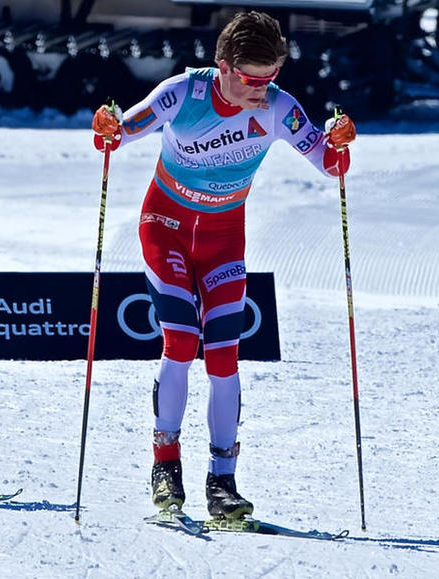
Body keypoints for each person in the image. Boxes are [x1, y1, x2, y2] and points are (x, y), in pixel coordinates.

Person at [90, 11, 356, 521]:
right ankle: (165, 464)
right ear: (223, 67)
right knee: (182, 341)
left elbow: (329, 163)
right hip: (164, 223)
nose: (263, 89)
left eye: (272, 76)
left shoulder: (279, 108)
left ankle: (223, 480)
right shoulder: (181, 95)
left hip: (222, 237)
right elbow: (119, 133)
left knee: (224, 358)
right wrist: (105, 126)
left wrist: (340, 140)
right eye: (252, 79)